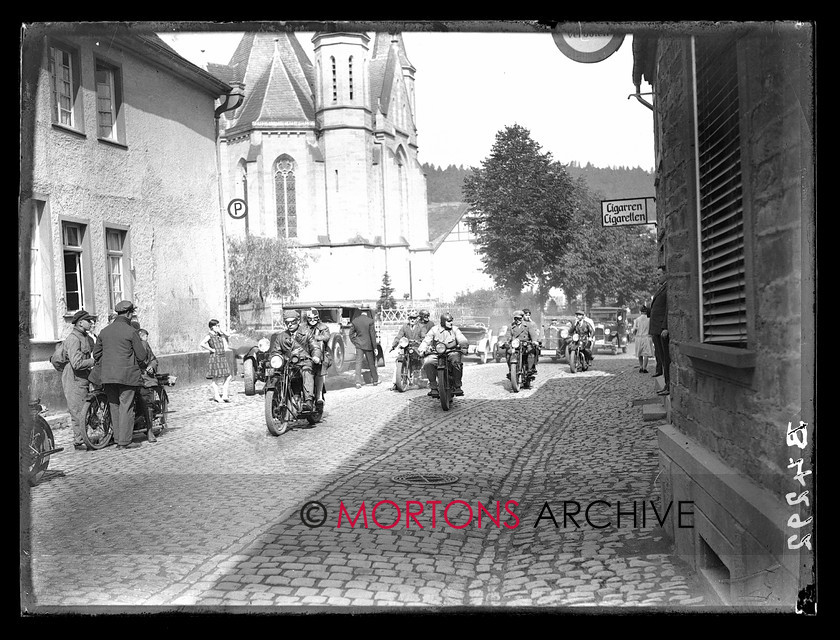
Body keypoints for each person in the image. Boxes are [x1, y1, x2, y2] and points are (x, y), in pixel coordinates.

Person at [92, 300, 147, 450]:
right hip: (127, 375)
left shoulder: (104, 331)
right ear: (129, 314)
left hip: (108, 376)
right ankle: (124, 442)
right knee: (126, 406)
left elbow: (96, 353)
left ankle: (117, 439)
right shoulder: (131, 332)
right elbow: (142, 356)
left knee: (113, 405)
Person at [269, 310, 322, 412]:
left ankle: (308, 401)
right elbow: (275, 352)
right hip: (288, 364)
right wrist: (279, 357)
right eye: (287, 322)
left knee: (307, 371)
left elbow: (315, 347)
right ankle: (278, 398)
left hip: (304, 361)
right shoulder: (281, 337)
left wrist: (316, 356)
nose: (290, 324)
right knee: (277, 375)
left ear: (298, 321)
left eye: (292, 322)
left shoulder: (306, 333)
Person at [61, 309, 96, 450]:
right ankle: (79, 441)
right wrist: (93, 362)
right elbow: (76, 363)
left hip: (83, 377)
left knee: (84, 409)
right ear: (80, 323)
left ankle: (83, 437)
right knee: (77, 410)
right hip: (74, 377)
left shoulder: (85, 337)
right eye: (89, 321)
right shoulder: (74, 339)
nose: (91, 323)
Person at [418, 312, 469, 397]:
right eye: (449, 321)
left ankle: (457, 386)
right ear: (443, 322)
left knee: (456, 361)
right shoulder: (434, 329)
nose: (451, 323)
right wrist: (422, 350)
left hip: (451, 352)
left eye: (451, 321)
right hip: (437, 353)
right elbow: (426, 340)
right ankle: (433, 387)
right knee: (428, 362)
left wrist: (464, 347)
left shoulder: (455, 329)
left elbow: (461, 338)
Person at [388, 309, 427, 390]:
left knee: (423, 360)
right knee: (398, 360)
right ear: (409, 319)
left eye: (414, 318)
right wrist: (393, 345)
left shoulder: (421, 327)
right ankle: (395, 382)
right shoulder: (404, 327)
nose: (412, 320)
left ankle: (426, 379)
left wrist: (420, 342)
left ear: (417, 319)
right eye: (411, 318)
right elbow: (399, 336)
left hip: (417, 347)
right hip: (406, 347)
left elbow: (424, 337)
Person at [302, 308, 331, 409]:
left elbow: (326, 337)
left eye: (314, 318)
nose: (312, 320)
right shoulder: (303, 327)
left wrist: (313, 337)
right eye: (310, 319)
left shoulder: (323, 327)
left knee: (320, 370)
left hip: (322, 354)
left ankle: (319, 396)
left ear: (318, 318)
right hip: (306, 353)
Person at [134, 327, 160, 442]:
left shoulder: (144, 344)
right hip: (131, 376)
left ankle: (149, 430)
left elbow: (153, 359)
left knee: (147, 401)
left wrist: (151, 366)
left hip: (144, 377)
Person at [649, 264, 670, 395]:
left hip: (661, 329)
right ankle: (666, 384)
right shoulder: (662, 288)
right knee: (661, 358)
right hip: (656, 329)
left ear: (666, 274)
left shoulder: (668, 288)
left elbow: (668, 309)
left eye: (659, 275)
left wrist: (665, 327)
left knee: (666, 359)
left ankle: (668, 385)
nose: (657, 277)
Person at [199, 319, 232, 403]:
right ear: (212, 327)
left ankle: (224, 395)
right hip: (215, 357)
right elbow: (202, 343)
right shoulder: (209, 335)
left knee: (228, 376)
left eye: (218, 325)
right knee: (215, 378)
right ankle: (217, 396)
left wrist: (221, 330)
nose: (218, 327)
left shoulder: (219, 334)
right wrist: (211, 349)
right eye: (216, 326)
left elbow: (228, 335)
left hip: (222, 356)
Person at [501, 310, 538, 379]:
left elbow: (533, 335)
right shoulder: (511, 326)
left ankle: (529, 369)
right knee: (508, 352)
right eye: (516, 318)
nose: (517, 320)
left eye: (519, 318)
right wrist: (504, 342)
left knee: (531, 352)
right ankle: (511, 370)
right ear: (514, 318)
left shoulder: (528, 325)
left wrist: (534, 341)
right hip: (515, 345)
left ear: (522, 318)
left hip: (525, 344)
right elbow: (507, 335)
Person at [350, 309, 379, 389]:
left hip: (359, 345)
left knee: (358, 363)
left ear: (360, 312)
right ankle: (375, 380)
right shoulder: (370, 321)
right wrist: (375, 347)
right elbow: (372, 335)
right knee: (371, 363)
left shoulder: (355, 321)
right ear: (368, 312)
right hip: (368, 345)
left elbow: (351, 334)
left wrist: (355, 342)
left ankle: (358, 382)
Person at [633, 305, 654, 373]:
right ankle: (645, 368)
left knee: (640, 353)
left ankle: (641, 367)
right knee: (646, 354)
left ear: (640, 312)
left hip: (639, 337)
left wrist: (635, 335)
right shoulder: (649, 319)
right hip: (647, 337)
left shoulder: (637, 320)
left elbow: (634, 330)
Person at [521, 308, 541, 375]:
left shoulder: (532, 323)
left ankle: (532, 366)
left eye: (529, 315)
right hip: (519, 342)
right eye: (526, 315)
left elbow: (535, 333)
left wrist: (535, 341)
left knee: (534, 350)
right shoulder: (519, 322)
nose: (528, 316)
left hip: (529, 341)